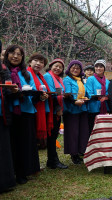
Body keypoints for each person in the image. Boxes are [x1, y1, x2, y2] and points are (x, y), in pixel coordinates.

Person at [3, 45, 41, 184]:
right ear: (7, 54)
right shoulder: (4, 71)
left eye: (19, 54)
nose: (15, 56)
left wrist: (39, 96)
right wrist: (14, 93)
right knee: (13, 143)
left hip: (27, 111)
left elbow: (34, 90)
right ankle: (12, 171)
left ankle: (23, 171)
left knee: (26, 143)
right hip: (11, 111)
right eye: (12, 53)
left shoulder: (26, 73)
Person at [63, 60, 89, 164]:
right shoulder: (67, 79)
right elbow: (67, 94)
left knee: (82, 132)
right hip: (72, 109)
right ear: (69, 69)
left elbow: (84, 92)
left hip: (82, 109)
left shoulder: (81, 80)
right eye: (73, 68)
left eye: (77, 68)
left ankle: (80, 152)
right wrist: (74, 101)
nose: (75, 70)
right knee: (73, 133)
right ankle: (73, 154)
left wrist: (86, 98)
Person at [43, 58, 68, 169]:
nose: (57, 68)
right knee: (52, 137)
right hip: (52, 109)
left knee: (53, 136)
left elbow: (60, 93)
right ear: (51, 66)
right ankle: (53, 161)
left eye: (60, 67)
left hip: (57, 109)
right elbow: (51, 92)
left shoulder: (59, 79)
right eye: (56, 66)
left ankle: (52, 160)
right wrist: (58, 108)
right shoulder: (48, 76)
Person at [0, 41, 16, 193]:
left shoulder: (3, 69)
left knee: (4, 148)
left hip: (2, 112)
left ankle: (5, 181)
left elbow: (7, 90)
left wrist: (13, 90)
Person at [27, 53, 51, 149]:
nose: (38, 63)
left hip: (40, 105)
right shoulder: (26, 73)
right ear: (30, 62)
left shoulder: (40, 77)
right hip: (30, 107)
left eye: (41, 62)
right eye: (36, 61)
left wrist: (43, 96)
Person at [85, 59, 109, 135]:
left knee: (103, 130)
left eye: (101, 66)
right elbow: (89, 92)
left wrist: (106, 97)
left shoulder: (107, 81)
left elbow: (108, 93)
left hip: (105, 107)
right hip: (93, 107)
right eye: (97, 66)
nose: (98, 68)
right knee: (92, 129)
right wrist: (98, 97)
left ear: (104, 68)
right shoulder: (91, 79)